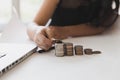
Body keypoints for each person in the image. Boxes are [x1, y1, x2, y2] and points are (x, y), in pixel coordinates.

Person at [27, 0, 119, 50]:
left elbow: (101, 25)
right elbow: (33, 24)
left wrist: (65, 31)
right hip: (54, 51)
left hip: (96, 48)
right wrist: (36, 32)